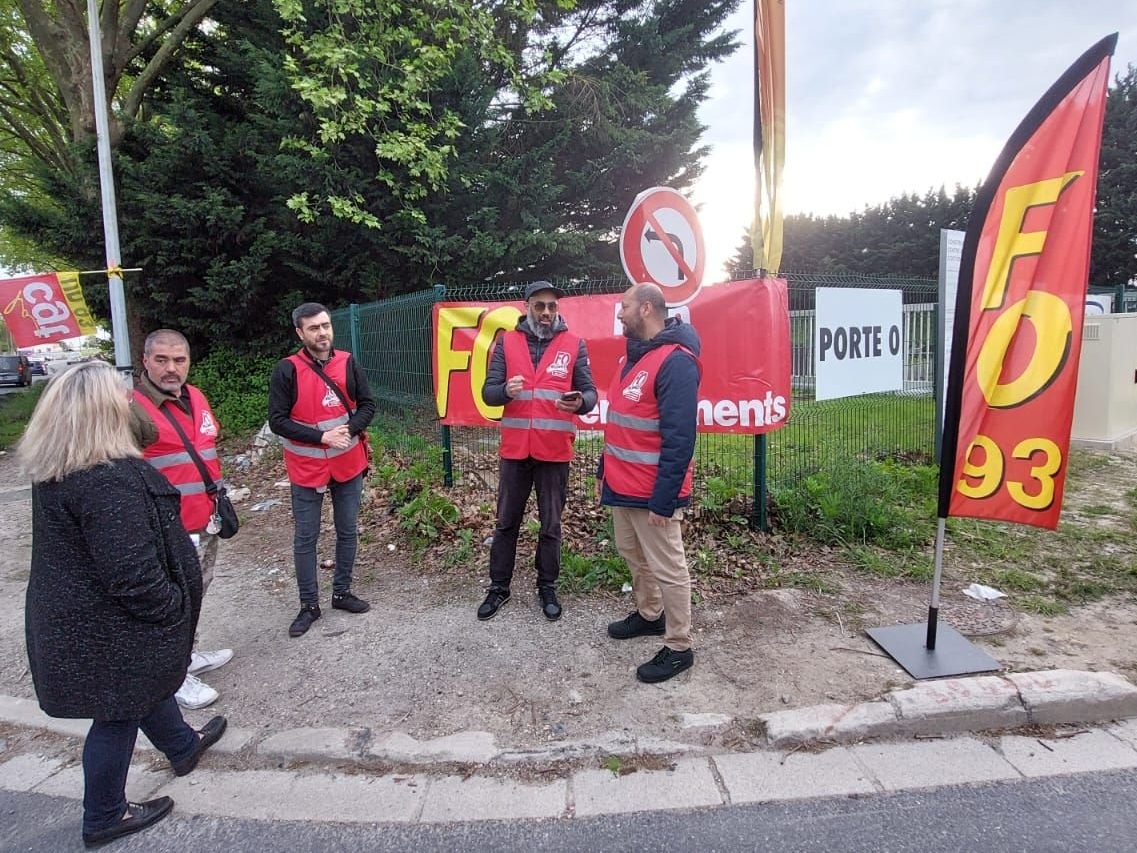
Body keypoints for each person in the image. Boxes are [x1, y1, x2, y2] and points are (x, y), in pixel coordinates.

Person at [19, 361, 227, 849]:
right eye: (121, 398)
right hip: (108, 623)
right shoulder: (106, 480)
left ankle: (181, 744)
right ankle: (105, 815)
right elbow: (134, 575)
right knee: (117, 713)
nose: (131, 403)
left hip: (84, 617)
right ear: (104, 412)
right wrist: (173, 608)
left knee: (140, 684)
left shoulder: (62, 469)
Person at [478, 280, 597, 621]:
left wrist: (580, 402)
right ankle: (498, 587)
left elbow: (590, 394)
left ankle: (547, 586)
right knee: (506, 523)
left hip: (554, 452)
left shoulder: (574, 345)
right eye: (539, 306)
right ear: (527, 307)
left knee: (550, 525)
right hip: (516, 452)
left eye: (552, 307)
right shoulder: (507, 342)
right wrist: (504, 390)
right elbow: (488, 393)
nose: (546, 312)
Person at [601, 283, 702, 683]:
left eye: (623, 306)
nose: (619, 313)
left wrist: (664, 500)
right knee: (631, 552)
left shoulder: (676, 362)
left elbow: (680, 437)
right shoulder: (633, 358)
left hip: (654, 492)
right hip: (623, 485)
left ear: (646, 308)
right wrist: (602, 473)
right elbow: (619, 425)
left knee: (668, 567)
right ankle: (650, 615)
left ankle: (679, 646)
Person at [131, 330, 233, 710]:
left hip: (205, 523)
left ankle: (185, 656)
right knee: (171, 603)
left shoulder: (196, 397)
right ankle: (171, 678)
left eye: (179, 360)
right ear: (145, 361)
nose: (171, 368)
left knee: (196, 593)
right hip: (166, 530)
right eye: (161, 360)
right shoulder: (133, 410)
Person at [269, 302, 377, 638]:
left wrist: (350, 428)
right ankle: (308, 606)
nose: (322, 333)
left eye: (326, 326)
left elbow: (369, 404)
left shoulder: (348, 362)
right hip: (307, 468)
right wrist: (322, 437)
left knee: (347, 530)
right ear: (300, 333)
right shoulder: (286, 371)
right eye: (314, 328)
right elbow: (278, 421)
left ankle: (341, 593)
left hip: (348, 463)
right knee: (306, 538)